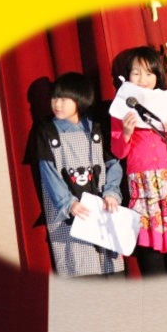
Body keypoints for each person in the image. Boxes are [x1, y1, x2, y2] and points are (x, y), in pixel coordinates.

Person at [110, 46, 167, 275]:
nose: (143, 79)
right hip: (145, 186)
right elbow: (119, 153)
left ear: (157, 75)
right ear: (127, 76)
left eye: (149, 73)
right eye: (136, 73)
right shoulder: (120, 107)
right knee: (151, 255)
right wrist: (126, 133)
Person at [35, 72, 124, 277]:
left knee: (112, 275)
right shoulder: (47, 131)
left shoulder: (96, 128)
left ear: (80, 100)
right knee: (83, 274)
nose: (57, 104)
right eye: (54, 98)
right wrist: (68, 203)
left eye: (64, 99)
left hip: (101, 210)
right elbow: (48, 172)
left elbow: (113, 163)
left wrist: (112, 192)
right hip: (70, 214)